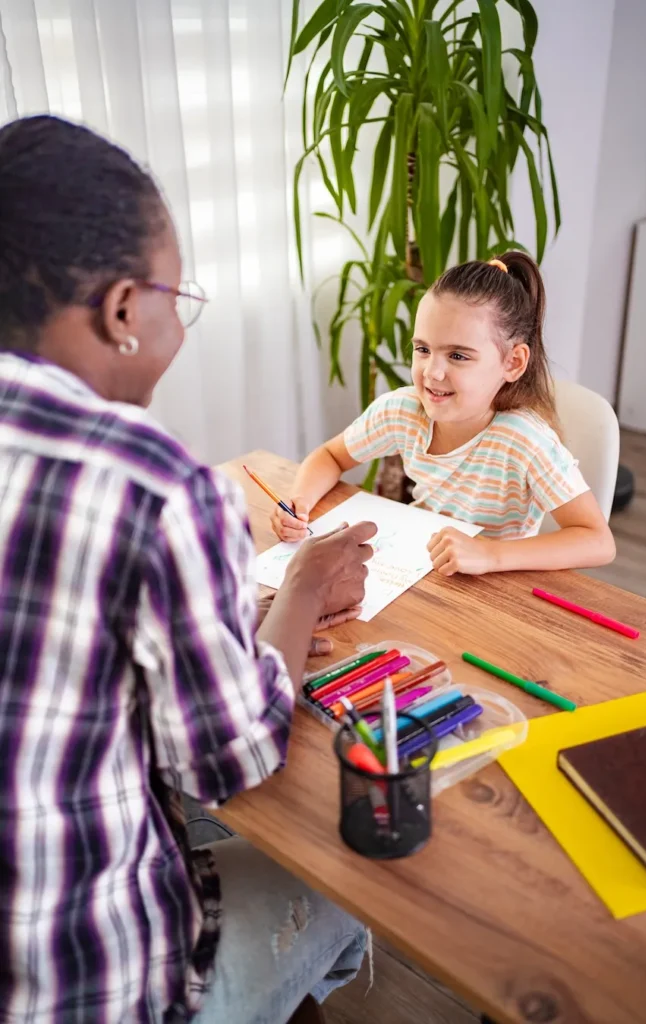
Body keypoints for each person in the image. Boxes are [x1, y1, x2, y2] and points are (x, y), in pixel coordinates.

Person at [0, 114, 377, 1023]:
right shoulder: (148, 482)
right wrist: (299, 587)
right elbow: (230, 758)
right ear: (125, 310)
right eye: (178, 297)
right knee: (351, 875)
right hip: (78, 982)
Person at [272, 252, 616, 576]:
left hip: (496, 588)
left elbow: (598, 541)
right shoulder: (403, 412)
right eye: (422, 349)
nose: (432, 372)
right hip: (424, 572)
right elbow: (331, 456)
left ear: (513, 362)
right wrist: (299, 502)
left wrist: (489, 554)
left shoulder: (526, 440)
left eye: (458, 356)